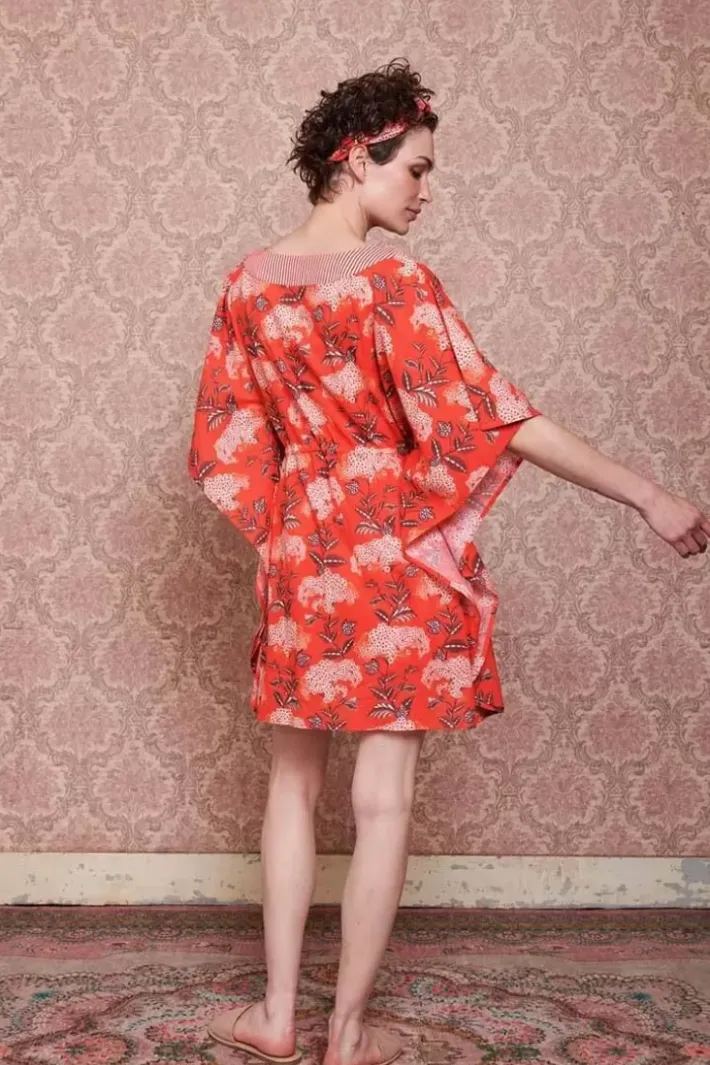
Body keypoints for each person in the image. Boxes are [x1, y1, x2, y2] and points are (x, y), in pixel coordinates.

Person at [188, 58, 709, 1065]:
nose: (425, 191)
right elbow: (497, 420)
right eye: (416, 169)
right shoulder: (394, 284)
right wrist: (645, 493)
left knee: (290, 788)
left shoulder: (247, 283)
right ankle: (346, 1034)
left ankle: (276, 1016)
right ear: (356, 158)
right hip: (393, 561)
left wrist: (296, 529)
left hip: (300, 559)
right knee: (381, 802)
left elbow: (226, 445)